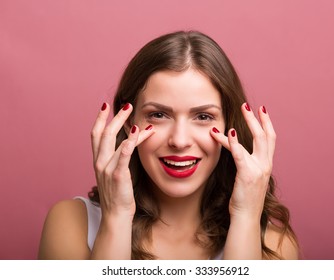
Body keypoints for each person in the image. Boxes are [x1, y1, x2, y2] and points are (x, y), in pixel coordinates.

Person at [38, 30, 299, 260]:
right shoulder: (71, 224)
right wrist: (116, 218)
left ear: (230, 124)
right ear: (127, 123)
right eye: (159, 115)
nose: (180, 141)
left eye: (203, 117)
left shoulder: (274, 247)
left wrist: (245, 217)